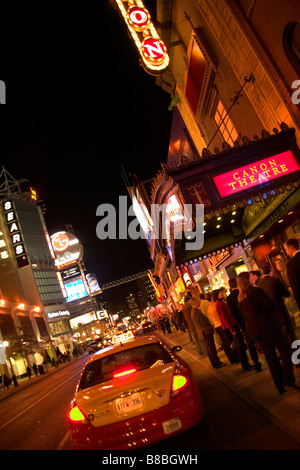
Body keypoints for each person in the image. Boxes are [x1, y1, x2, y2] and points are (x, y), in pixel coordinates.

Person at [237, 271, 298, 395]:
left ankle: (279, 385)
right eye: (250, 277)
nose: (252, 279)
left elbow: (243, 315)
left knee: (270, 356)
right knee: (285, 349)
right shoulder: (256, 291)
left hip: (253, 330)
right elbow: (270, 305)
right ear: (247, 280)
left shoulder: (240, 298)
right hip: (267, 326)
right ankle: (288, 379)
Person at [227, 278, 262, 372]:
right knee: (261, 340)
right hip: (252, 319)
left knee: (250, 343)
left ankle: (256, 363)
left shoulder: (229, 298)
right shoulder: (243, 293)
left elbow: (233, 313)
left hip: (243, 324)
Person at [257, 263, 295, 343]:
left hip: (270, 311)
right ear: (271, 269)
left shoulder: (260, 283)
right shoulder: (274, 280)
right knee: (287, 327)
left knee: (280, 329)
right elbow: (285, 293)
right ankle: (294, 348)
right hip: (279, 307)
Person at [191, 298, 225, 369]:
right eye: (198, 301)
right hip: (205, 332)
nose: (199, 302)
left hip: (205, 332)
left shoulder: (196, 311)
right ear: (195, 303)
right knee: (211, 348)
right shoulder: (195, 312)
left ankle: (216, 362)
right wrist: (208, 330)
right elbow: (201, 324)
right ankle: (216, 363)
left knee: (211, 348)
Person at [213, 289, 239, 365]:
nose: (222, 293)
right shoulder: (219, 304)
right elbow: (224, 317)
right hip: (228, 326)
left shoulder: (221, 302)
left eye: (222, 292)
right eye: (220, 293)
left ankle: (236, 358)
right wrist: (231, 329)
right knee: (232, 343)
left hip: (230, 325)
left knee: (232, 342)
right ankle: (235, 359)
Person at [285, 238, 300, 311]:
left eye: (286, 249)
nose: (286, 252)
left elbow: (295, 286)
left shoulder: (290, 264)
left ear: (291, 248)